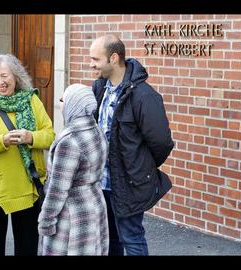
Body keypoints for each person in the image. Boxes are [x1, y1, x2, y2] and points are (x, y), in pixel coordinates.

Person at [89, 34, 174, 256]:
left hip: (127, 184)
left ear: (114, 58)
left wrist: (141, 166)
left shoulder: (144, 96)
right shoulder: (99, 88)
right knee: (109, 240)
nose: (91, 64)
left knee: (132, 240)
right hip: (101, 183)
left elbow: (161, 143)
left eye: (96, 59)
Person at [0, 54, 55, 256]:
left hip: (27, 188)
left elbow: (50, 136)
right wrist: (2, 140)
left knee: (27, 247)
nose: (0, 82)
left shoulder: (32, 100)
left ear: (16, 77)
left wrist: (31, 137)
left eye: (4, 76)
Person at [38, 84, 109, 256]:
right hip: (95, 202)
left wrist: (46, 221)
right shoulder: (96, 129)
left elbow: (58, 190)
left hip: (72, 214)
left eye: (63, 99)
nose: (60, 103)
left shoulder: (70, 141)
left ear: (74, 104)